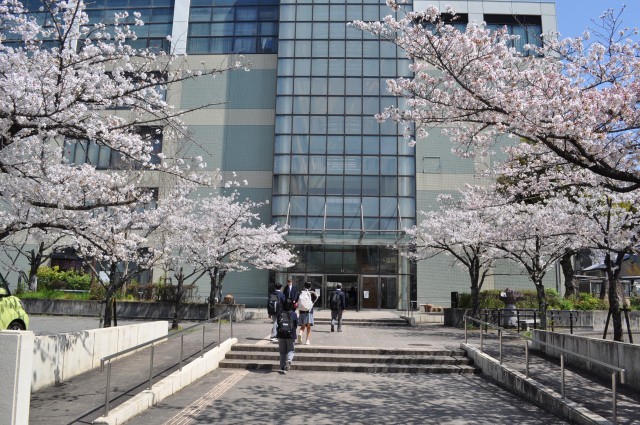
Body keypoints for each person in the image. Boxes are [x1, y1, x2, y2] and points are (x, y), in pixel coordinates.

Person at [277, 298, 298, 374]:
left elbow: (278, 324)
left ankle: (282, 367)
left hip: (281, 334)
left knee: (282, 352)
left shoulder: (280, 314)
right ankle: (289, 360)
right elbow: (296, 325)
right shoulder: (294, 314)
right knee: (291, 350)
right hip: (291, 335)